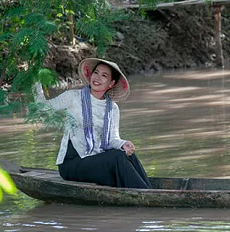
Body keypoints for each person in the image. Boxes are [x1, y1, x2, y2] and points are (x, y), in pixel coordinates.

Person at [33, 58, 151, 189]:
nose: (98, 78)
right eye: (96, 72)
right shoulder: (74, 97)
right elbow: (43, 107)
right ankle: (145, 194)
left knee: (127, 155)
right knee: (118, 157)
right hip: (72, 163)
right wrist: (34, 81)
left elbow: (112, 139)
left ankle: (149, 191)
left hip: (95, 160)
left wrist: (123, 144)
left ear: (111, 83)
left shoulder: (112, 108)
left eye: (104, 75)